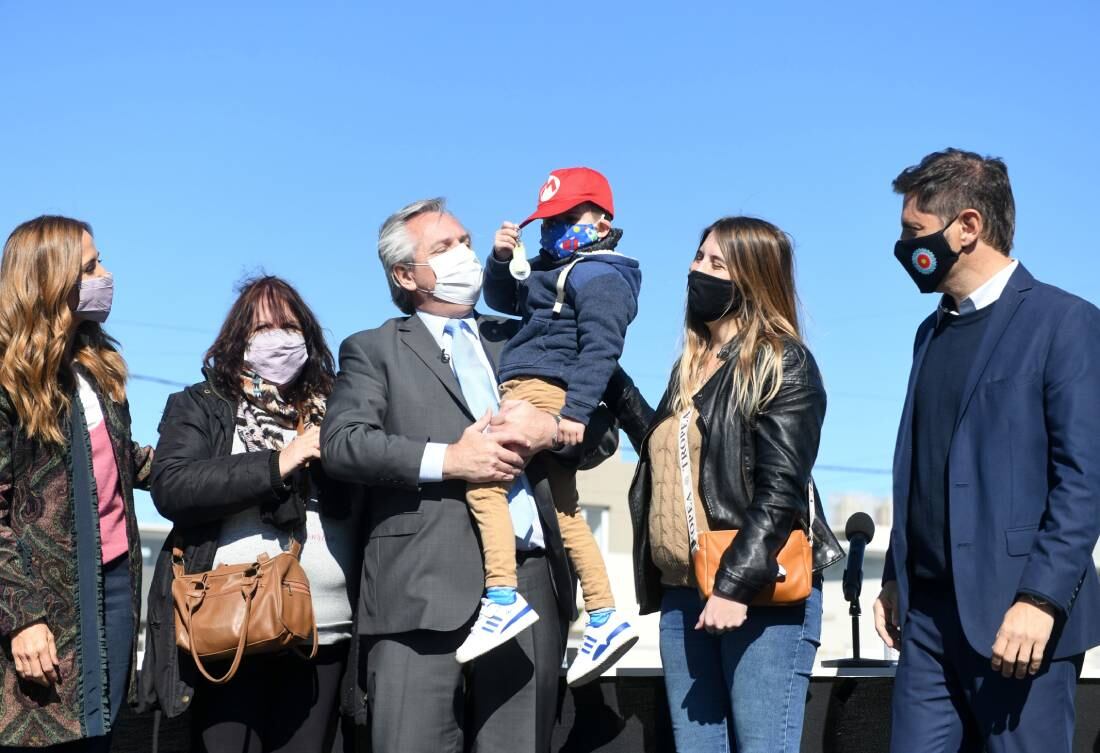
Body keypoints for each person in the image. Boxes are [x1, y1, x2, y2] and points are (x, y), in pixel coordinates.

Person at [320, 198, 620, 753]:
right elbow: (343, 445)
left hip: (530, 585)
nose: (464, 254)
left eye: (464, 241)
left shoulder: (525, 336)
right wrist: (449, 460)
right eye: (443, 247)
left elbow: (604, 434)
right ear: (406, 275)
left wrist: (551, 429)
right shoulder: (374, 349)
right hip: (420, 591)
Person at [874, 148, 1100, 752]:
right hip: (924, 624)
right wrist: (898, 576)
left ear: (968, 226)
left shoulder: (1065, 322)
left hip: (1018, 623)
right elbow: (921, 465)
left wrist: (1041, 599)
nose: (905, 247)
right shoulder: (931, 331)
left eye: (913, 232)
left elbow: (1083, 480)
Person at [606, 216, 843, 753]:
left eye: (718, 264)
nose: (699, 271)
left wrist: (734, 585)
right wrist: (612, 383)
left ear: (754, 280)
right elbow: (671, 455)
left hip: (756, 592)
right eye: (699, 257)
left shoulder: (782, 362)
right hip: (684, 590)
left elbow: (781, 492)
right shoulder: (692, 366)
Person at [138, 276, 363, 753]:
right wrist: (278, 462)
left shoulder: (340, 408)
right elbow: (172, 484)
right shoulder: (203, 404)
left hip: (326, 631)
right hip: (228, 629)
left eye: (288, 325)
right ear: (238, 338)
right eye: (263, 327)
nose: (278, 338)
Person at [457, 167, 639, 685]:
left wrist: (574, 412)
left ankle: (500, 596)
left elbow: (603, 347)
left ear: (602, 219)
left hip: (541, 389)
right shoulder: (553, 267)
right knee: (564, 510)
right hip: (533, 387)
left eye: (566, 217)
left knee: (484, 477)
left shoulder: (601, 274)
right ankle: (604, 615)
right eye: (547, 220)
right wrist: (498, 260)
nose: (552, 228)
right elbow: (504, 299)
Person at [0, 216, 153, 751]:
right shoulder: (7, 376)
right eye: (91, 266)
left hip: (111, 587)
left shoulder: (96, 367)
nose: (105, 274)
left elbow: (122, 460)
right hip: (39, 603)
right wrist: (21, 617)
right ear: (51, 279)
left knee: (98, 733)